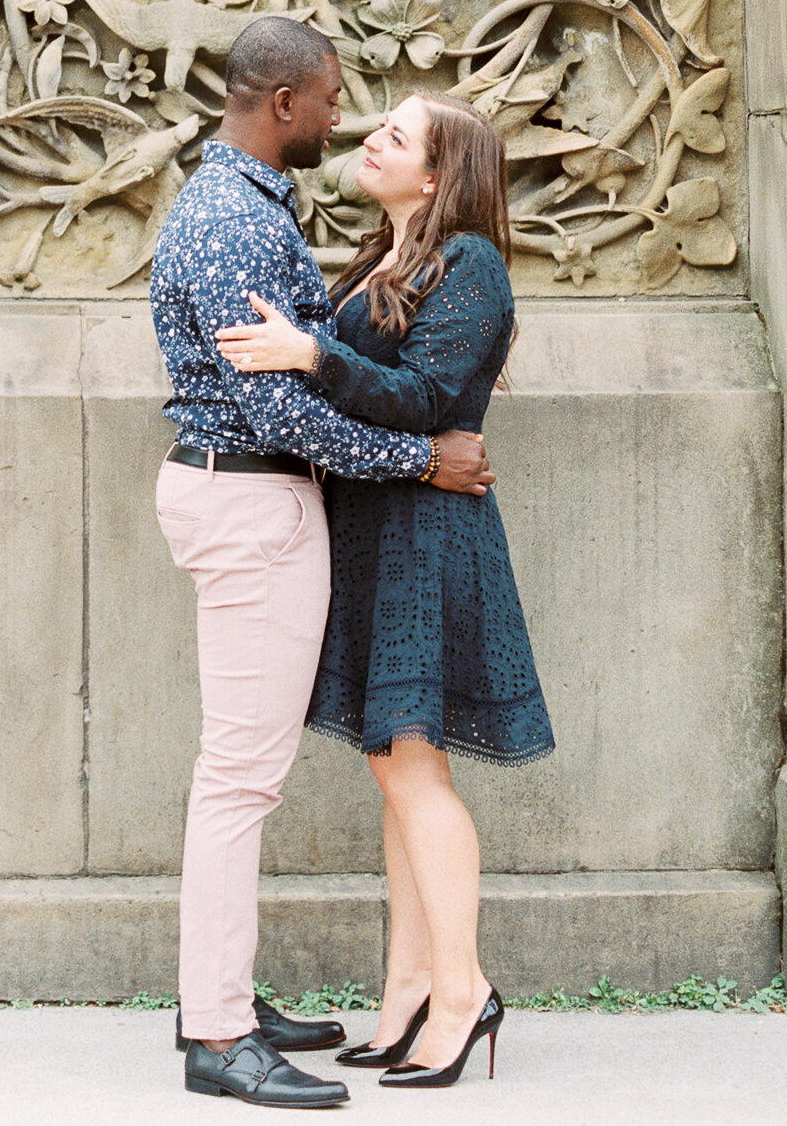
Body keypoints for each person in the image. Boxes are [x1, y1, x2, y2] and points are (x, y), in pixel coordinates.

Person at [150, 18, 497, 1111]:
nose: (344, 118)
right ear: (285, 103)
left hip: (256, 494)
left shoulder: (253, 208)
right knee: (239, 780)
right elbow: (279, 404)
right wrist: (423, 461)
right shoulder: (232, 221)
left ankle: (231, 1003)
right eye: (338, 98)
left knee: (245, 773)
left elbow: (325, 369)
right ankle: (215, 1030)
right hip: (248, 494)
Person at [216, 89, 553, 1092]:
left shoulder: (471, 266)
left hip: (425, 535)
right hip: (375, 525)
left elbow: (428, 401)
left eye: (397, 137)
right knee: (392, 768)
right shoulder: (381, 257)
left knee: (415, 770)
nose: (374, 139)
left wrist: (309, 353)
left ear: (440, 175)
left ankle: (462, 992)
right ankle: (408, 986)